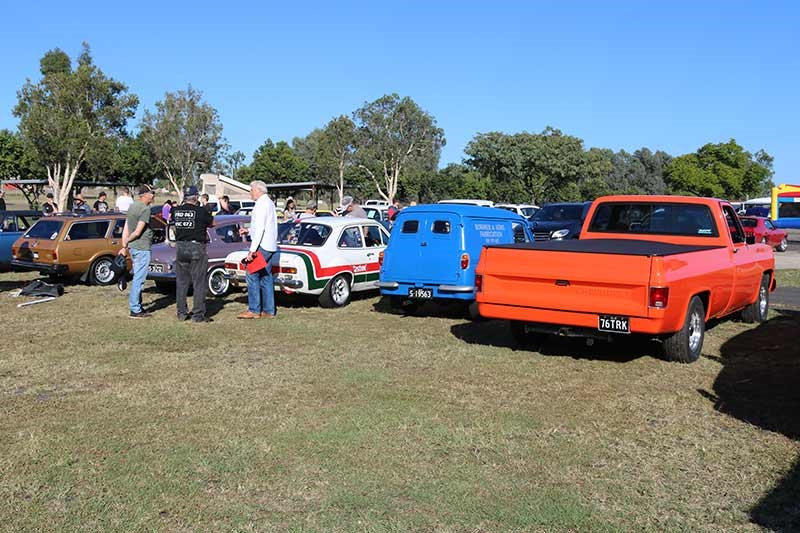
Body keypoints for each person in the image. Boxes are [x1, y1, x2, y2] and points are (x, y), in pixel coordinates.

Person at [172, 185, 215, 323]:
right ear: (196, 197)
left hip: (180, 247)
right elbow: (212, 223)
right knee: (199, 282)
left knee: (182, 282)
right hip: (196, 247)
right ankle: (198, 315)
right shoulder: (201, 211)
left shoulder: (176, 211)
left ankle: (181, 313)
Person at [237, 180, 279, 319]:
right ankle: (268, 310)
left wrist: (252, 251)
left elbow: (260, 228)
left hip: (262, 245)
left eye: (251, 190)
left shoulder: (261, 204)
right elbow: (263, 226)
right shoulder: (269, 203)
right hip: (270, 245)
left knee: (251, 272)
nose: (250, 193)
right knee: (266, 276)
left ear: (258, 190)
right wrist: (248, 231)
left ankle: (254, 309)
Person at [119, 184, 156, 319]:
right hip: (141, 247)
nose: (153, 195)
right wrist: (127, 241)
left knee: (137, 277)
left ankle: (138, 305)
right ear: (145, 195)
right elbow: (137, 231)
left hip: (134, 248)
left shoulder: (133, 206)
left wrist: (124, 245)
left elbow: (126, 227)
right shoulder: (145, 209)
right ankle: (135, 309)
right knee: (139, 279)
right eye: (152, 193)